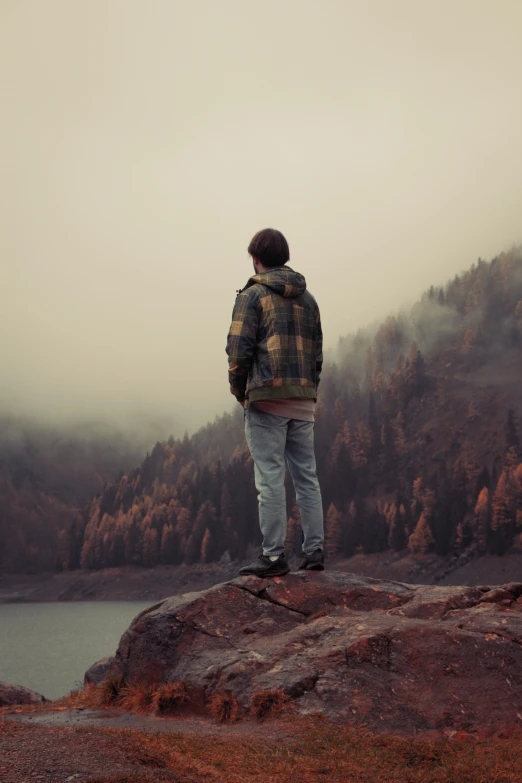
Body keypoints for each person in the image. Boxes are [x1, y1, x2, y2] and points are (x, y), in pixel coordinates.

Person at [226, 228, 325, 577]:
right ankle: (314, 552)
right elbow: (317, 354)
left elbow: (238, 350)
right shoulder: (308, 299)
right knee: (306, 477)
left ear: (256, 258)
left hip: (266, 399)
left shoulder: (252, 296)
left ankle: (272, 557)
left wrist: (241, 392)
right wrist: (308, 391)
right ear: (284, 256)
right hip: (302, 398)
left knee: (270, 478)